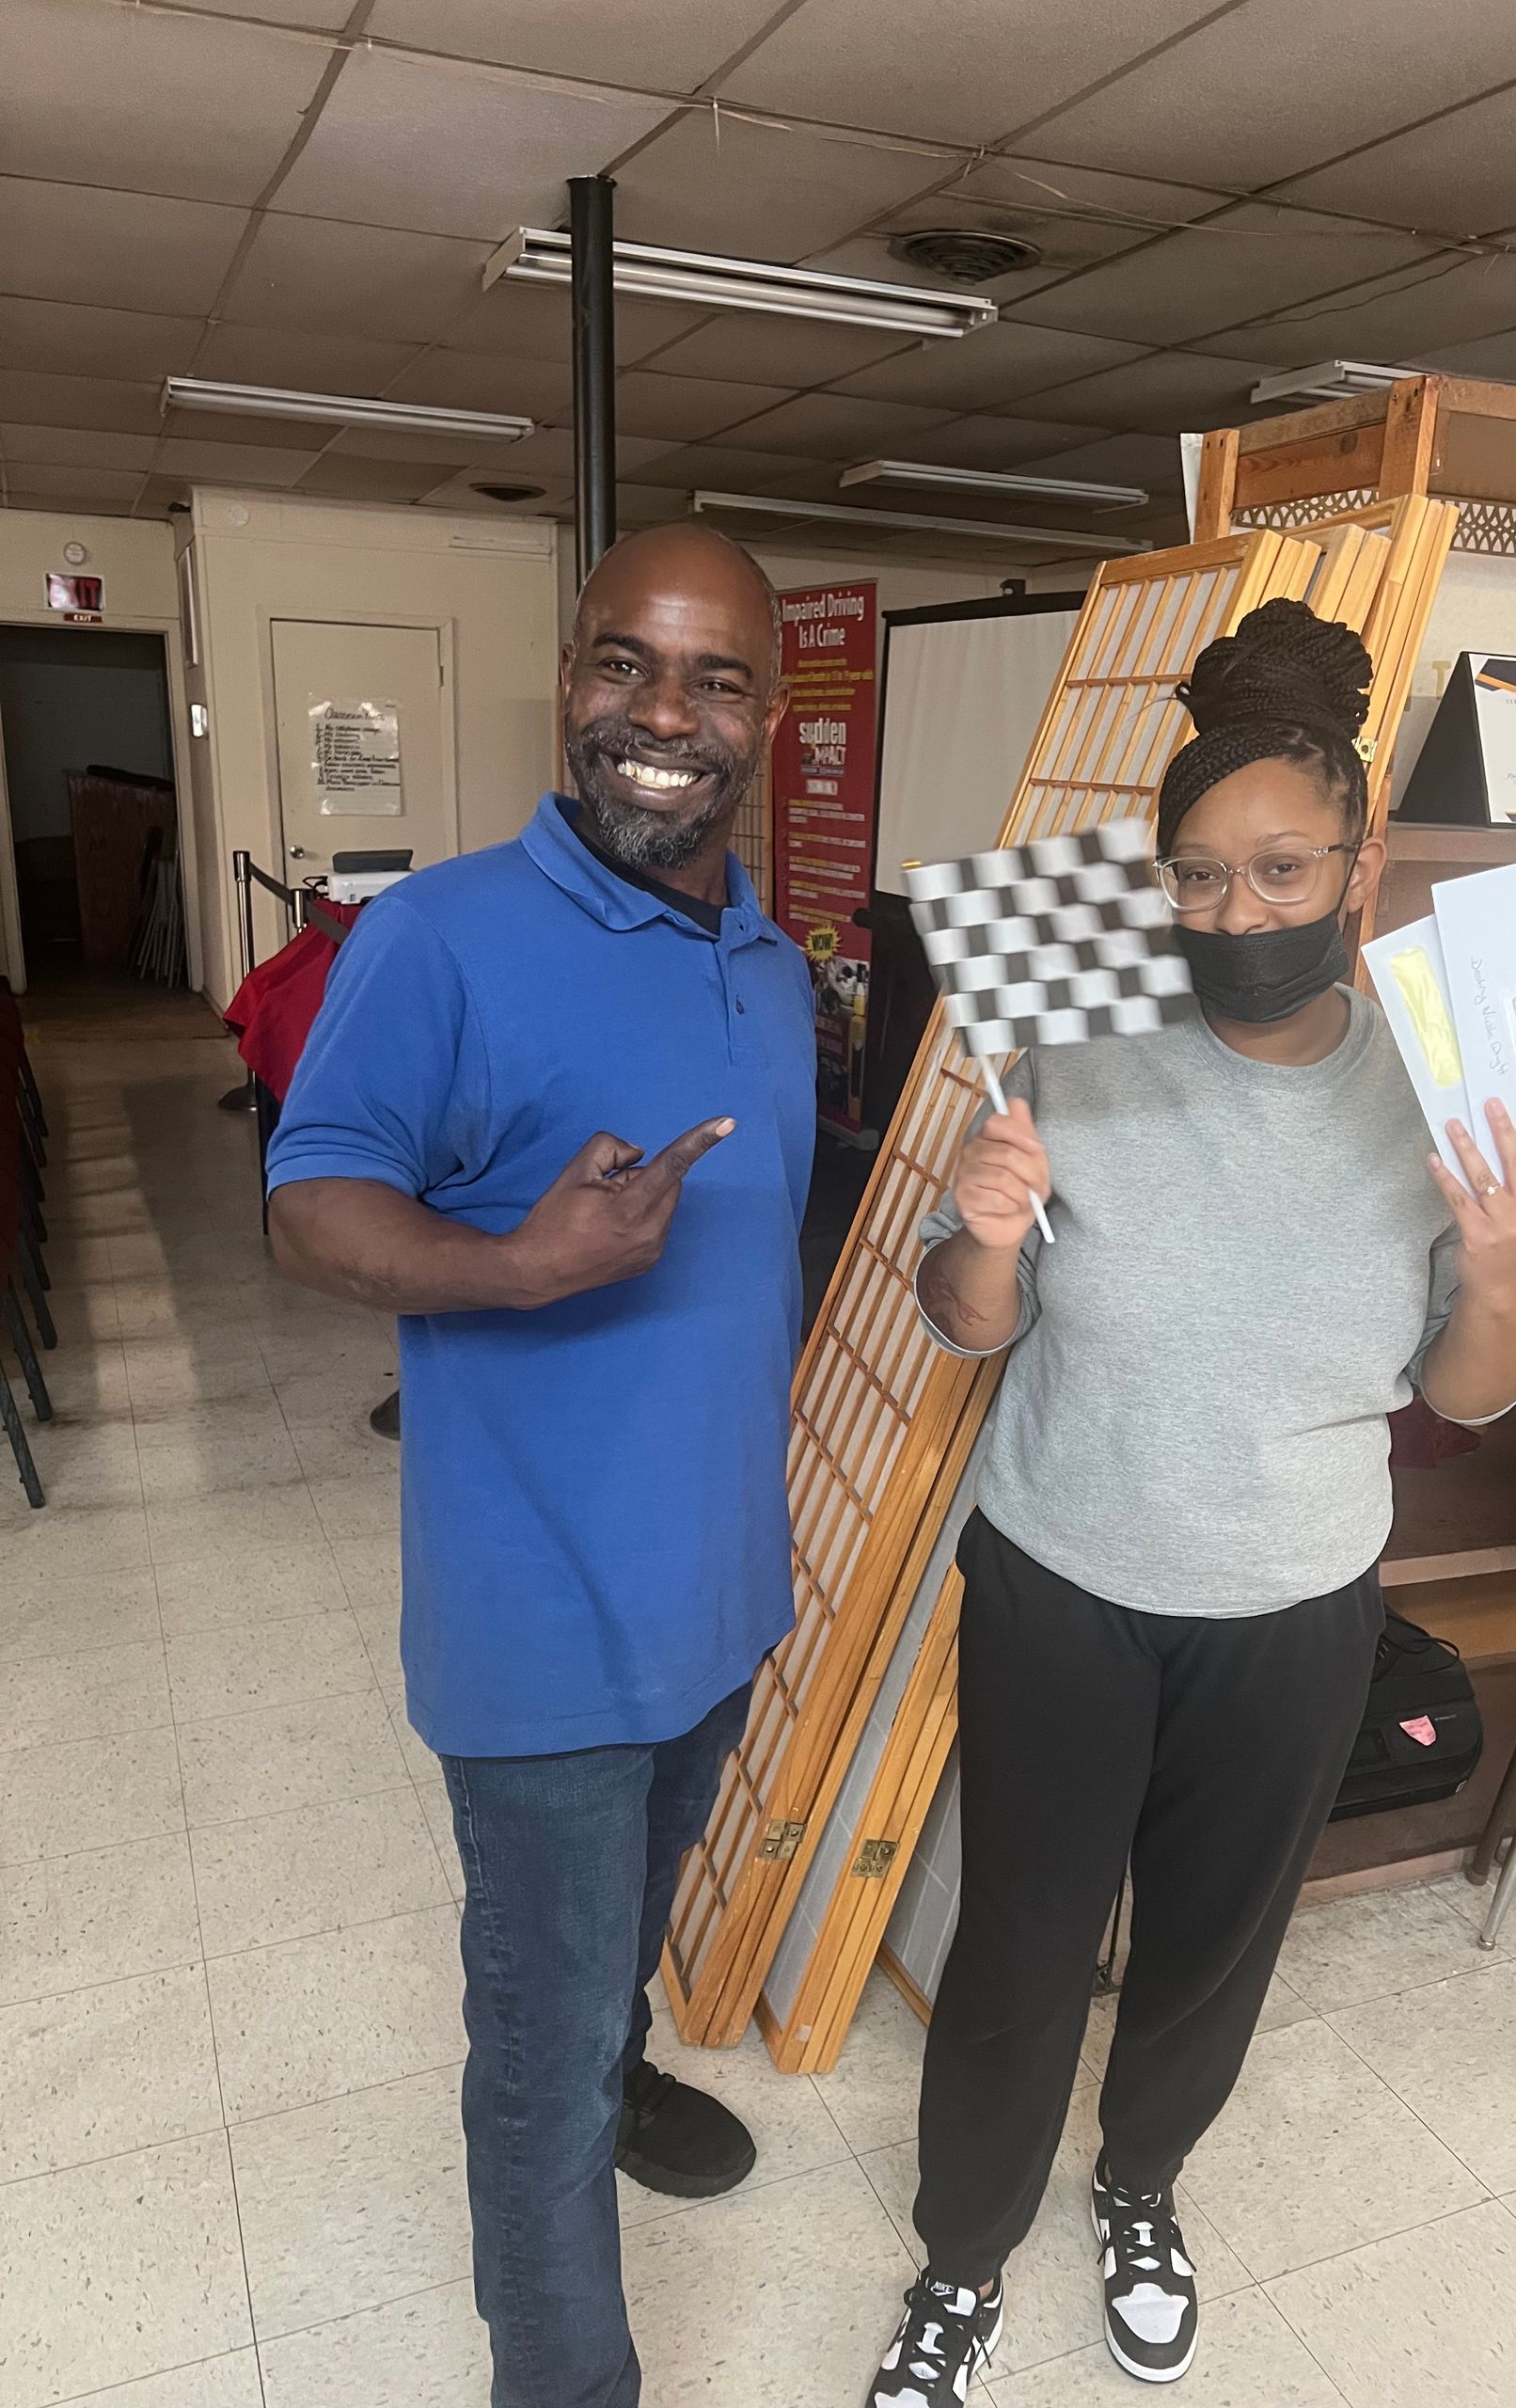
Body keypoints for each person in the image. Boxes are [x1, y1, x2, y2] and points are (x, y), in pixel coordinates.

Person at [864, 600, 1516, 2402]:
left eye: (1279, 872)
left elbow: (1469, 1389)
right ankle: (960, 2263)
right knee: (1021, 1941)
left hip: (1295, 1604)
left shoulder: (1452, 1077)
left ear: (1361, 862)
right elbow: (960, 1326)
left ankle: (1145, 2188)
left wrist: (1506, 1266)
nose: (1237, 915)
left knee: (1210, 1945)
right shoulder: (1068, 1030)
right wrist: (993, 1237)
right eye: (1194, 879)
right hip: (1063, 1580)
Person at [265, 522, 813, 2408]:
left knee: (613, 1950)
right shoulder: (438, 935)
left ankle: (621, 2056)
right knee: (535, 2025)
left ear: (766, 709)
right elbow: (306, 1203)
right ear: (569, 677)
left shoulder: (775, 959)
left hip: (720, 1594)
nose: (660, 714)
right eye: (620, 664)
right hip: (542, 1633)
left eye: (712, 676)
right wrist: (516, 1263)